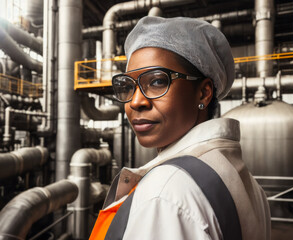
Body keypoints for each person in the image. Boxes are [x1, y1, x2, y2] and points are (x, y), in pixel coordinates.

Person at [90, 16, 271, 240]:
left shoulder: (164, 194)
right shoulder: (249, 186)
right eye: (128, 86)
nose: (136, 102)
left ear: (203, 93)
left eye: (157, 81)